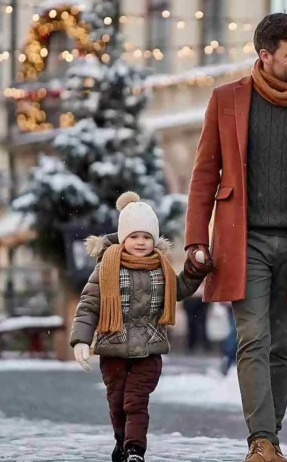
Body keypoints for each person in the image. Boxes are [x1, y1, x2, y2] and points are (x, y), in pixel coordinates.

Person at [183, 12, 287, 462]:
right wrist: (196, 239)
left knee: (281, 346)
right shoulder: (227, 100)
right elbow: (203, 177)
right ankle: (261, 441)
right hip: (244, 241)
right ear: (265, 55)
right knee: (252, 337)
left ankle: (269, 437)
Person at [69, 192, 212, 462]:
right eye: (134, 236)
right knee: (117, 402)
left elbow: (179, 289)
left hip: (149, 348)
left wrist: (195, 269)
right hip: (113, 348)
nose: (140, 242)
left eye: (146, 237)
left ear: (154, 240)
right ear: (124, 238)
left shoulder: (162, 268)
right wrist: (80, 340)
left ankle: (135, 449)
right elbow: (89, 305)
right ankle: (121, 441)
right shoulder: (106, 268)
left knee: (136, 401)